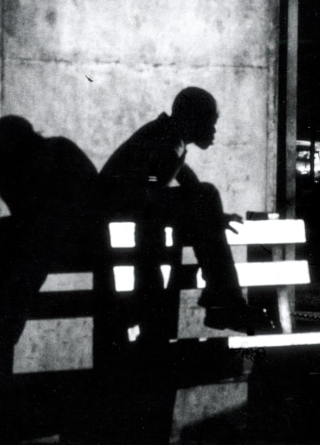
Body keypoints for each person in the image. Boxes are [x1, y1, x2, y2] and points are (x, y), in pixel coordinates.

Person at [97, 87, 265, 334]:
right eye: (211, 122)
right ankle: (224, 302)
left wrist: (214, 216)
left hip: (125, 210)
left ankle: (224, 302)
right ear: (194, 120)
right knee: (206, 194)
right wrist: (210, 215)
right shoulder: (170, 140)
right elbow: (156, 187)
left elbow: (187, 184)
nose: (214, 130)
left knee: (205, 195)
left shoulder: (168, 135)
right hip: (120, 211)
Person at [0, 115, 103, 350]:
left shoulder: (51, 154)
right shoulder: (15, 164)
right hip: (56, 235)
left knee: (33, 239)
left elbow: (59, 213)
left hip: (68, 235)